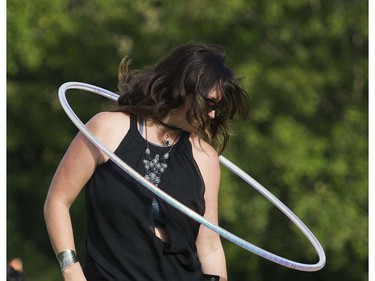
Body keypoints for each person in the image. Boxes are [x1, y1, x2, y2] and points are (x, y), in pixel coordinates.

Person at [44, 42, 249, 281]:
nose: (214, 114)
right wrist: (71, 270)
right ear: (184, 88)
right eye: (210, 103)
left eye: (220, 107)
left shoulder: (205, 158)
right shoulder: (107, 129)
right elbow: (57, 201)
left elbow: (210, 246)